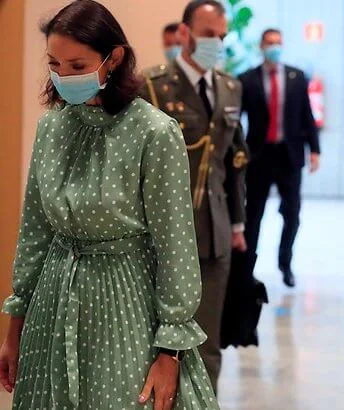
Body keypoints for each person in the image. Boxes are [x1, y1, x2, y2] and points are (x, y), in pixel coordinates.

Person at [0, 1, 219, 409]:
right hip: (51, 302)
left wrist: (169, 351)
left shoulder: (154, 133)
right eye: (55, 64)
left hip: (123, 308)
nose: (63, 76)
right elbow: (34, 233)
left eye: (77, 64)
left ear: (113, 59)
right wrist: (15, 329)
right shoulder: (52, 128)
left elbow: (175, 248)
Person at [139, 0, 248, 393]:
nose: (215, 44)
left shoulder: (230, 87)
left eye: (221, 37)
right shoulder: (151, 85)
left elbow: (235, 161)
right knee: (157, 346)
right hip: (163, 236)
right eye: (207, 35)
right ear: (184, 33)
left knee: (208, 345)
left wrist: (237, 224)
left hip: (216, 233)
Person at [239, 29, 321, 288]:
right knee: (253, 215)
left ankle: (285, 265)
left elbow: (306, 116)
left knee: (292, 214)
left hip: (289, 155)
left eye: (278, 43)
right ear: (261, 46)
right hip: (259, 156)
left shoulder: (296, 77)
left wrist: (315, 150)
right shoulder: (247, 80)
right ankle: (247, 269)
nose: (274, 47)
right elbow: (235, 120)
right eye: (269, 43)